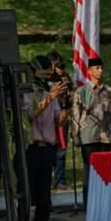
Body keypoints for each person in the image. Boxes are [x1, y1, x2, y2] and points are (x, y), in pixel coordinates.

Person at [25, 56, 63, 221]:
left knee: (44, 199)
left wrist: (66, 105)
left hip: (48, 149)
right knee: (26, 197)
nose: (48, 75)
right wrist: (50, 98)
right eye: (45, 72)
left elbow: (58, 119)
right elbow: (31, 114)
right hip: (30, 149)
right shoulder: (26, 92)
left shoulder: (50, 92)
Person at [72, 57, 111, 208]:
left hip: (105, 136)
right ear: (89, 71)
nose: (100, 71)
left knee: (105, 171)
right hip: (88, 136)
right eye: (97, 68)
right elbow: (75, 115)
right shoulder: (82, 92)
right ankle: (89, 204)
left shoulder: (109, 91)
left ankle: (105, 203)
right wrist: (75, 136)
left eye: (101, 68)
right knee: (89, 171)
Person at [47, 51, 73, 189]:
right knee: (49, 149)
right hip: (48, 118)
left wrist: (64, 78)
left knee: (61, 149)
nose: (58, 68)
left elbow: (70, 94)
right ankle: (47, 178)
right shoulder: (46, 80)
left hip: (62, 116)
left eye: (60, 64)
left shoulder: (64, 78)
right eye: (55, 65)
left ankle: (60, 180)